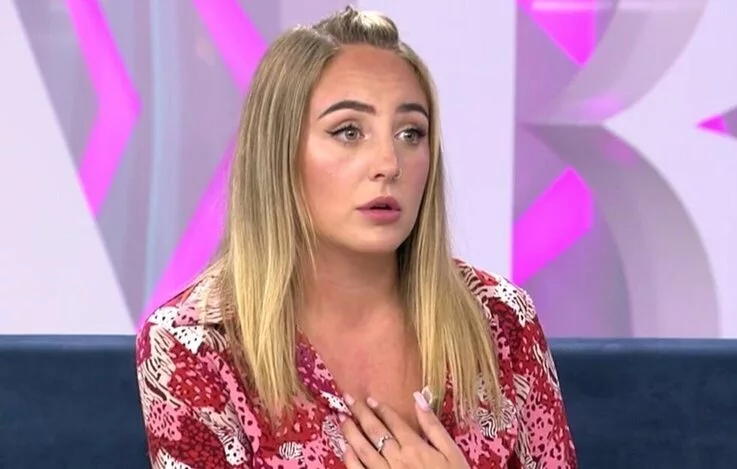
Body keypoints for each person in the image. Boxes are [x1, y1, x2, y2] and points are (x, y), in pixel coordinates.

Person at [136, 6, 577, 469]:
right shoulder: (193, 345)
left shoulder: (501, 321)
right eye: (349, 131)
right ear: (278, 153)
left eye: (411, 133)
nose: (389, 163)